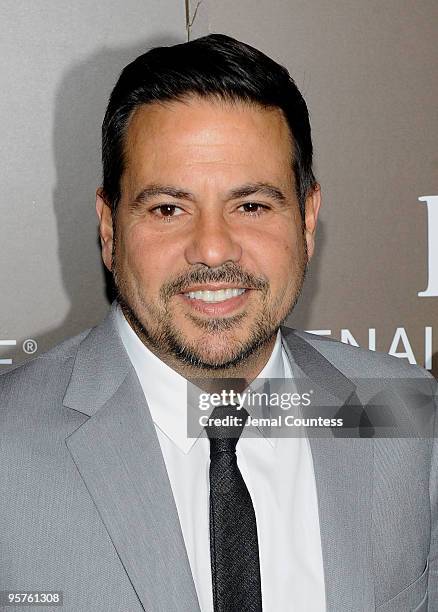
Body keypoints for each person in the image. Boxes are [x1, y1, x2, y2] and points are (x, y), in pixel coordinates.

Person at [0, 34, 436, 612]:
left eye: (251, 205)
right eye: (168, 209)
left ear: (306, 219)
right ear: (109, 227)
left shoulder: (407, 417)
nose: (211, 248)